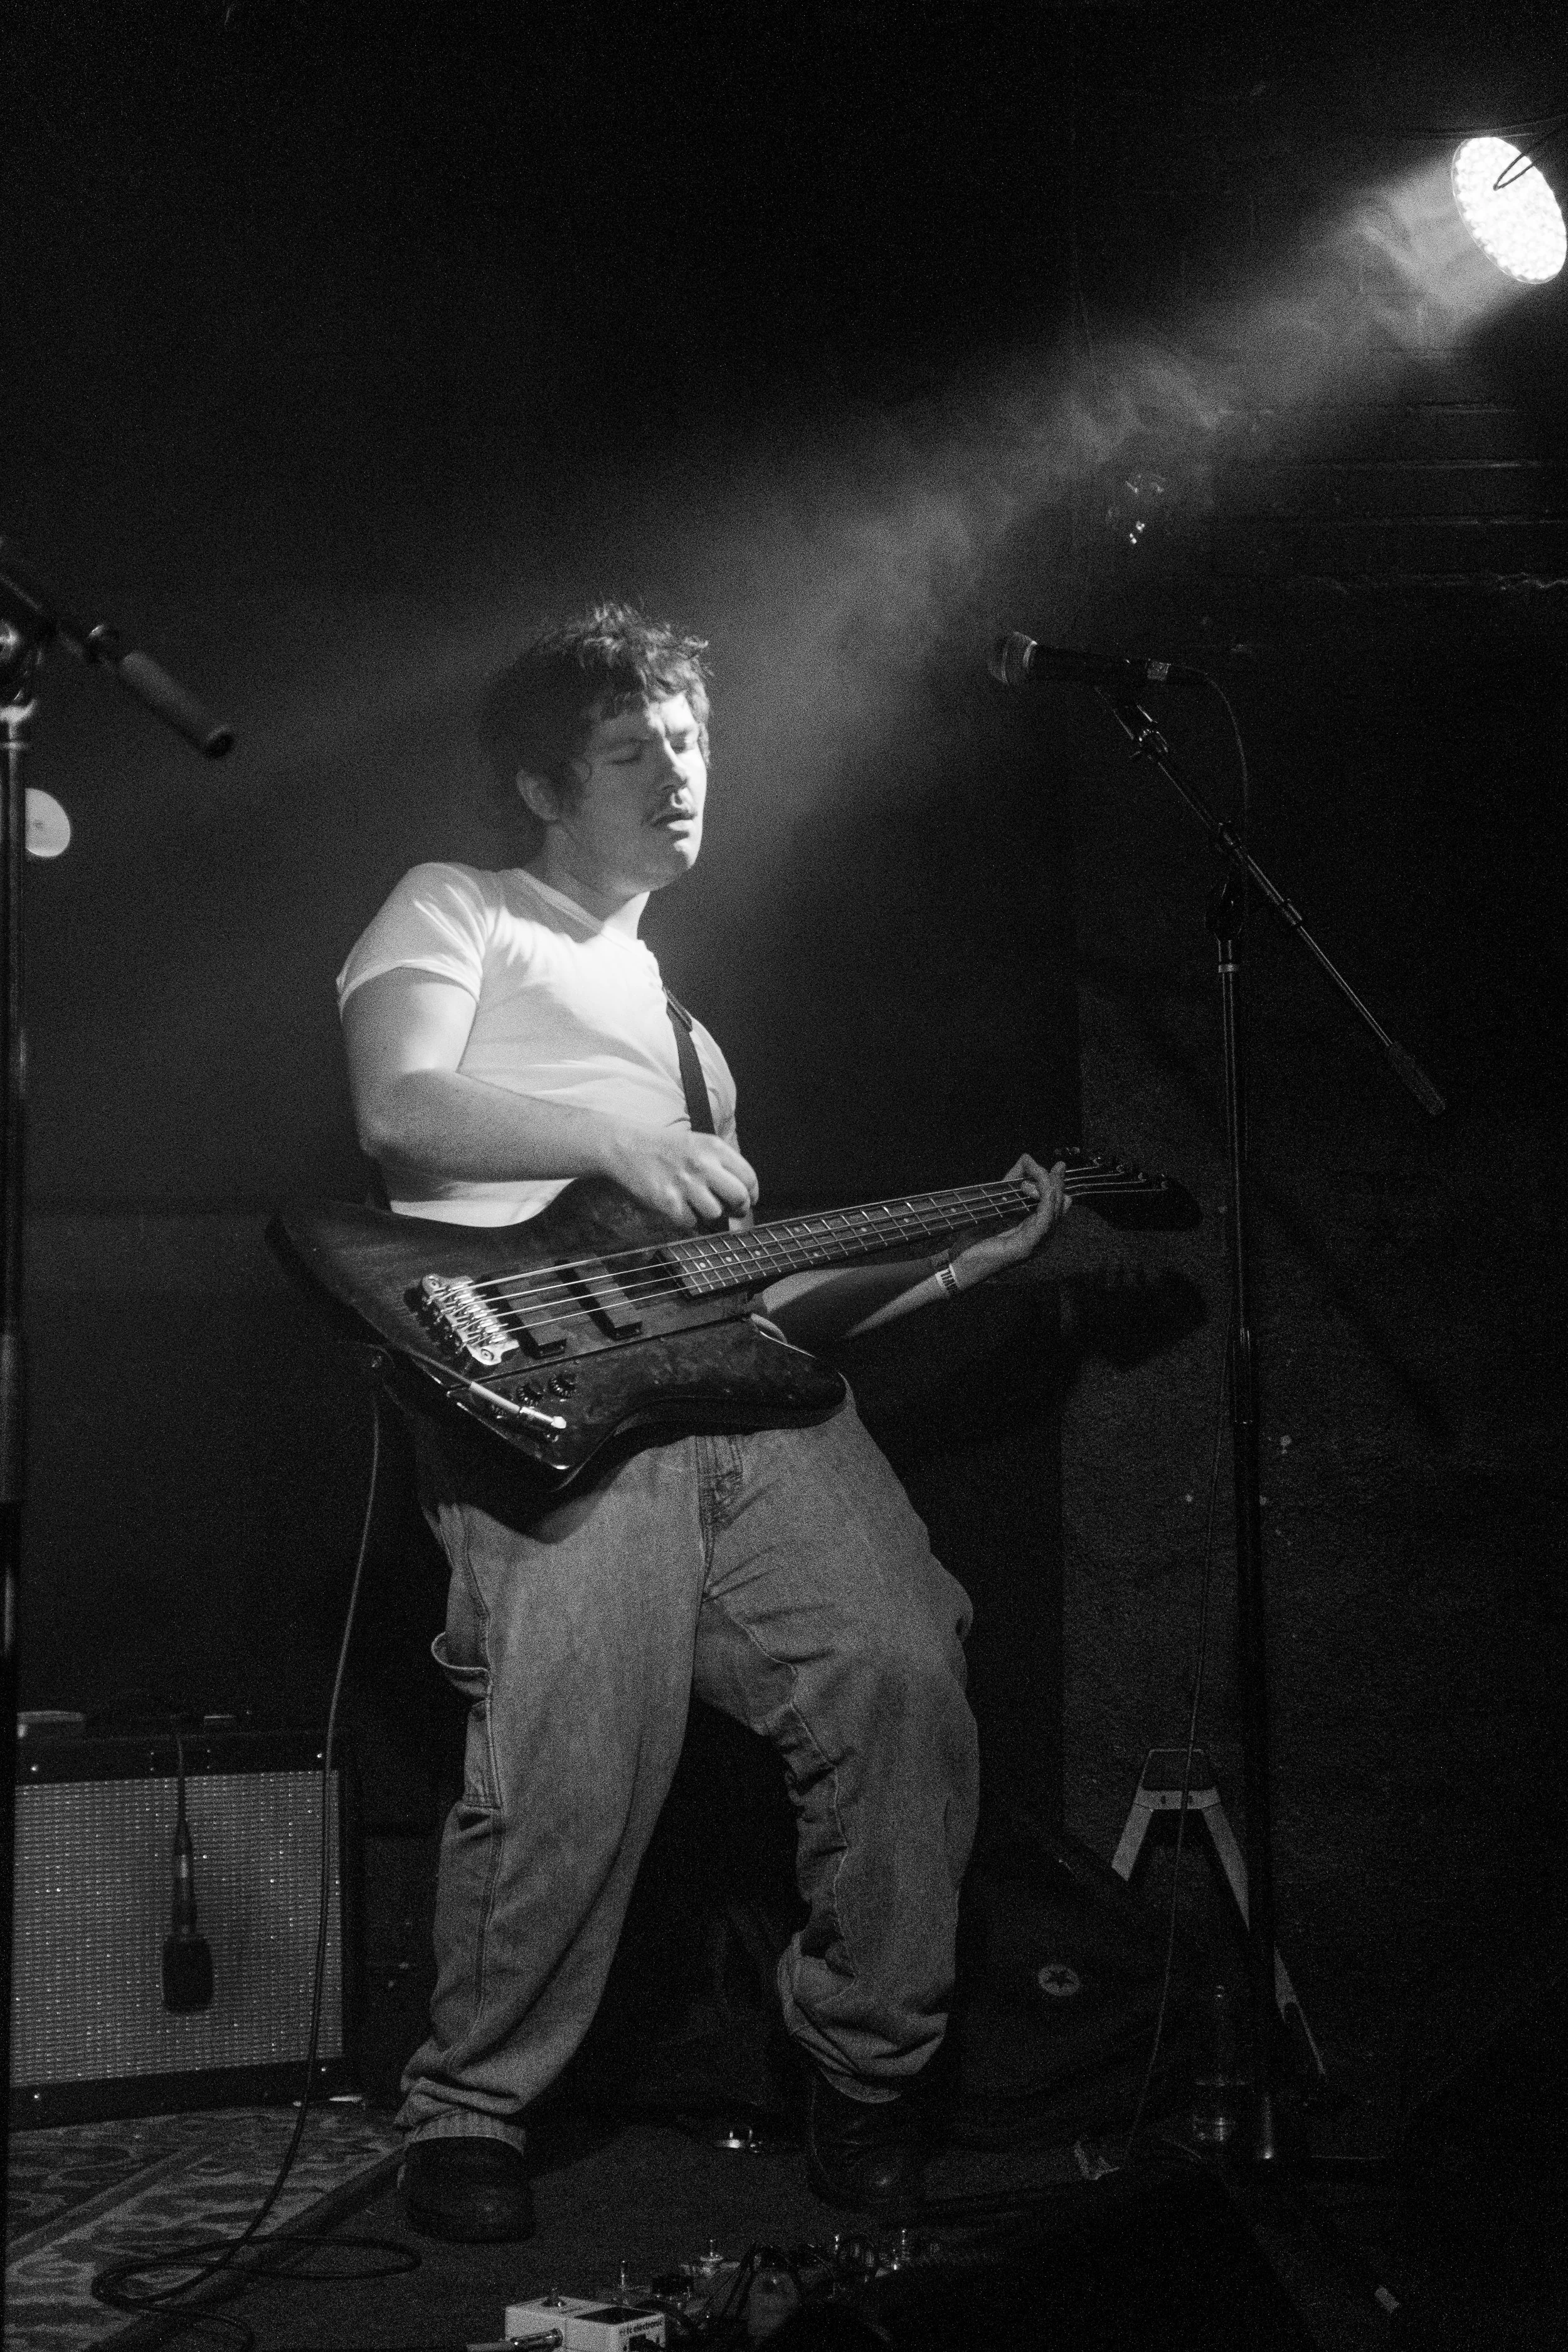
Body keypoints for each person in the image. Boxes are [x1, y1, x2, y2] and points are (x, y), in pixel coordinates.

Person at [337, 602, 1069, 2243]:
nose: (678, 773)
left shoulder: (690, 1036)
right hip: (539, 1399)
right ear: (539, 783)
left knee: (894, 1656)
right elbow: (398, 1103)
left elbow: (748, 1310)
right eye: (632, 747)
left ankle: (873, 2067)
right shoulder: (453, 908)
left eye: (691, 742)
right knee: (579, 1736)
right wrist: (608, 1130)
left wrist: (947, 1268)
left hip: (726, 1397)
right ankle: (468, 2109)